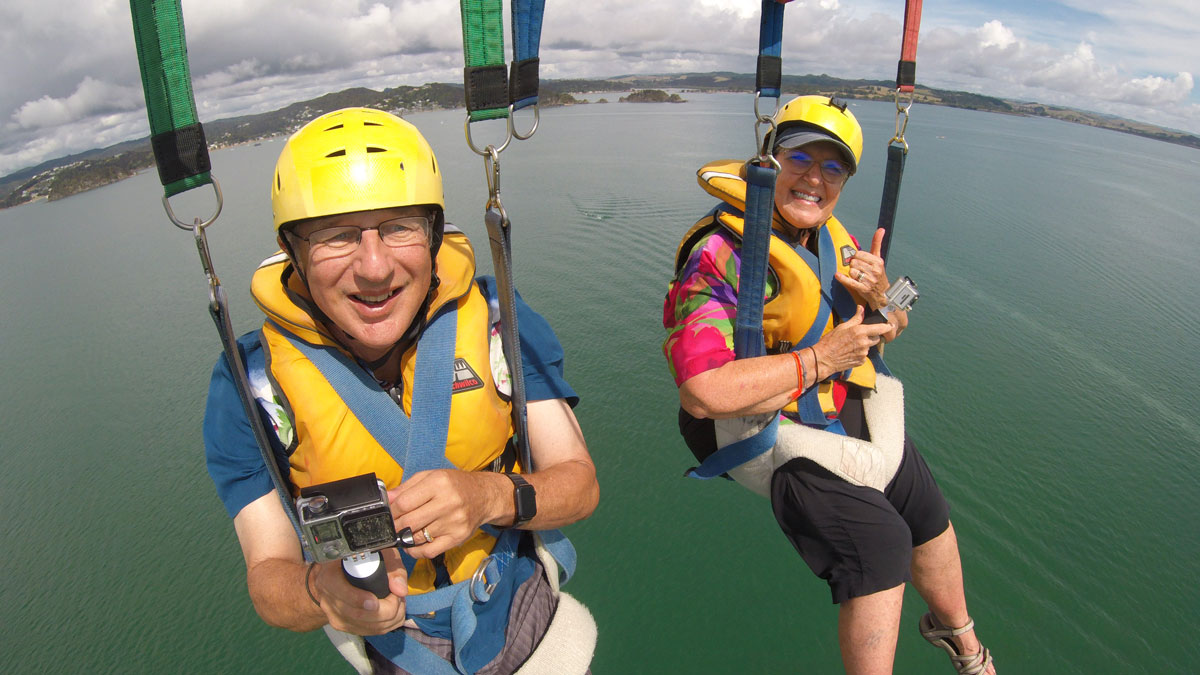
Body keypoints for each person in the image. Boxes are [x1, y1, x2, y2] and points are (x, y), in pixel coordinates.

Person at [203, 107, 599, 674]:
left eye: (399, 227)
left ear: (434, 235)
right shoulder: (253, 387)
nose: (373, 267)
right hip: (401, 648)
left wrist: (490, 495)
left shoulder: (497, 325)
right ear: (292, 251)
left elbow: (579, 486)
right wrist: (323, 592)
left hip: (522, 604)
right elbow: (269, 579)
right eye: (336, 236)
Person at [662, 95, 995, 675]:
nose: (814, 177)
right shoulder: (722, 254)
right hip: (748, 422)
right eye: (799, 158)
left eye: (833, 167)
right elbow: (703, 392)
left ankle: (960, 637)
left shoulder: (832, 243)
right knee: (880, 544)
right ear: (770, 159)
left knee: (923, 505)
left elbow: (881, 330)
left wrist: (882, 300)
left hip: (823, 397)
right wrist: (819, 359)